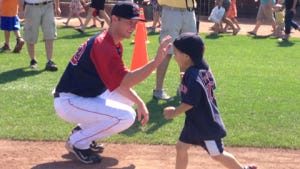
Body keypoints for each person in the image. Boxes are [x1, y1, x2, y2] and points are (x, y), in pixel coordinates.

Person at [53, 1, 172, 164]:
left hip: (82, 96)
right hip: (70, 101)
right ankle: (78, 142)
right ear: (114, 19)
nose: (133, 26)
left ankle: (83, 131)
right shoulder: (103, 45)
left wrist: (139, 102)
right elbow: (126, 80)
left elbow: (118, 83)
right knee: (126, 117)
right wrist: (155, 63)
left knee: (129, 100)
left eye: (135, 23)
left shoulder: (112, 43)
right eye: (129, 22)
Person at [163, 32, 257, 169]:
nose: (174, 57)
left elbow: (190, 102)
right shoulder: (202, 67)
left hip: (205, 124)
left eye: (176, 54)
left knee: (217, 154)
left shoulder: (193, 76)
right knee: (181, 147)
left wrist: (174, 112)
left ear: (186, 57)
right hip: (194, 122)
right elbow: (210, 85)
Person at [153, 0, 197, 100]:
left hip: (189, 10)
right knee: (167, 51)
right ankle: (158, 89)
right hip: (171, 10)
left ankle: (183, 87)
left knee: (188, 52)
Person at [18, 0, 61, 71]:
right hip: (32, 6)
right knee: (31, 34)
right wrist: (20, 9)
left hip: (48, 5)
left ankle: (49, 61)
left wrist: (57, 6)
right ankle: (33, 60)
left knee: (50, 32)